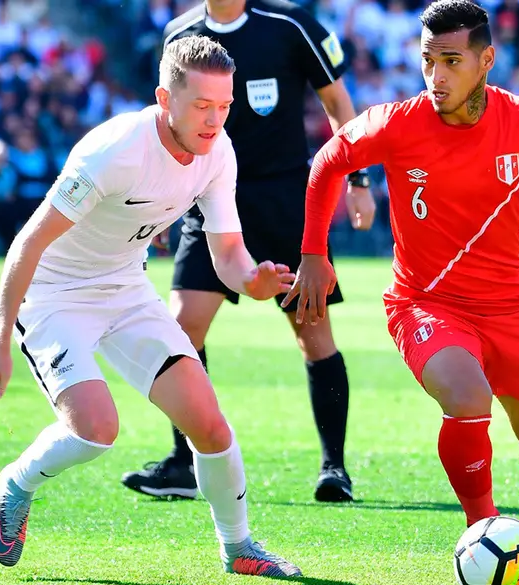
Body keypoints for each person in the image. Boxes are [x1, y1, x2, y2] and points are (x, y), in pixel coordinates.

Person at [282, 0, 519, 583]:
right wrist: (314, 254)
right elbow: (326, 162)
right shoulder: (396, 122)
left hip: (511, 306)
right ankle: (485, 531)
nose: (436, 77)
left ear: (486, 60)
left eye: (450, 61)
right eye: (427, 61)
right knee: (467, 397)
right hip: (425, 303)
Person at [0, 36, 301, 578]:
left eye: (224, 107)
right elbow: (28, 242)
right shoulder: (115, 149)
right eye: (202, 106)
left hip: (126, 289)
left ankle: (238, 547)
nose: (215, 120)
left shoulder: (217, 150)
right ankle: (18, 481)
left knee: (211, 426)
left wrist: (253, 280)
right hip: (55, 296)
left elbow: (229, 254)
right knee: (96, 430)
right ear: (165, 99)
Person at [121, 0, 376, 503]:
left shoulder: (290, 25)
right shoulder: (180, 34)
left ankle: (334, 469)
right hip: (208, 199)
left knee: (313, 330)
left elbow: (338, 103)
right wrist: (156, 201)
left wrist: (358, 178)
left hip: (284, 201)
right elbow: (166, 123)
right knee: (182, 326)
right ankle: (186, 464)